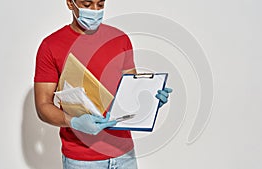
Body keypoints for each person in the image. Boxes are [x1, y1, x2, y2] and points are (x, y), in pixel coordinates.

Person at [34, 0, 172, 168]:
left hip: (124, 155)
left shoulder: (120, 39)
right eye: (87, 4)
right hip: (81, 160)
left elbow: (130, 95)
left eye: (100, 5)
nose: (95, 11)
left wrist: (151, 100)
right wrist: (74, 122)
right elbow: (43, 106)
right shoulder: (51, 45)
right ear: (70, 3)